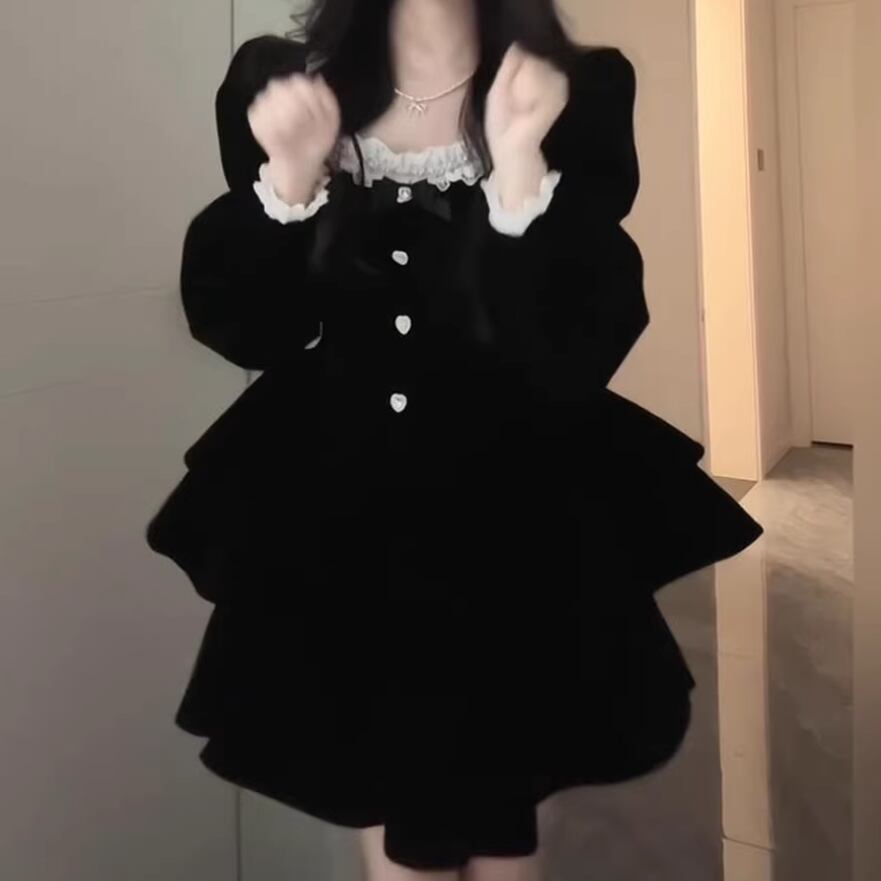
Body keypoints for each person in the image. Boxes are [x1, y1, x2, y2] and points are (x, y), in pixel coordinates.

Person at [145, 1, 765, 878]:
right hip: (342, 514)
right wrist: (287, 178)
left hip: (515, 513)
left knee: (502, 810)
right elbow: (251, 329)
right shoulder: (283, 83)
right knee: (383, 799)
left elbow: (581, 342)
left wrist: (518, 171)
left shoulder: (576, 89)